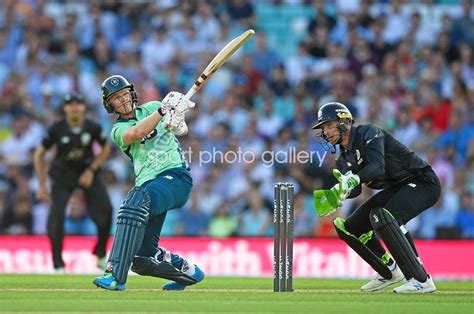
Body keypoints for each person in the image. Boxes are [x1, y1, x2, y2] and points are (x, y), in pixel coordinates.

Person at [312, 102, 441, 293]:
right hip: (397, 188)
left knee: (384, 216)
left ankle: (421, 279)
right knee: (350, 227)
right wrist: (337, 194)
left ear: (345, 122)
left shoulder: (369, 133)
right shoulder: (343, 159)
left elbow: (377, 167)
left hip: (422, 181)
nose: (327, 131)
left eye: (330, 125)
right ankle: (389, 271)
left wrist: (353, 179)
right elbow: (354, 190)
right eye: (324, 128)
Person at [93, 75, 204, 291]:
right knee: (141, 259)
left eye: (125, 93)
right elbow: (137, 132)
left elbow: (182, 130)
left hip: (176, 178)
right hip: (150, 187)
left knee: (135, 200)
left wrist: (177, 121)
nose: (123, 99)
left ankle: (114, 274)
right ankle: (188, 273)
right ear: (110, 104)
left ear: (132, 93)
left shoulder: (152, 106)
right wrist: (164, 111)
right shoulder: (117, 130)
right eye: (117, 98)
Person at [34, 93, 113, 272]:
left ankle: (100, 253)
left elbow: (106, 147)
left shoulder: (92, 127)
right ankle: (58, 265)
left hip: (87, 173)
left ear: (84, 107)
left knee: (106, 210)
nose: (75, 107)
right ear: (65, 108)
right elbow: (39, 154)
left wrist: (92, 170)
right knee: (56, 216)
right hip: (62, 176)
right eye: (71, 104)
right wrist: (41, 184)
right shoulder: (56, 128)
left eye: (78, 104)